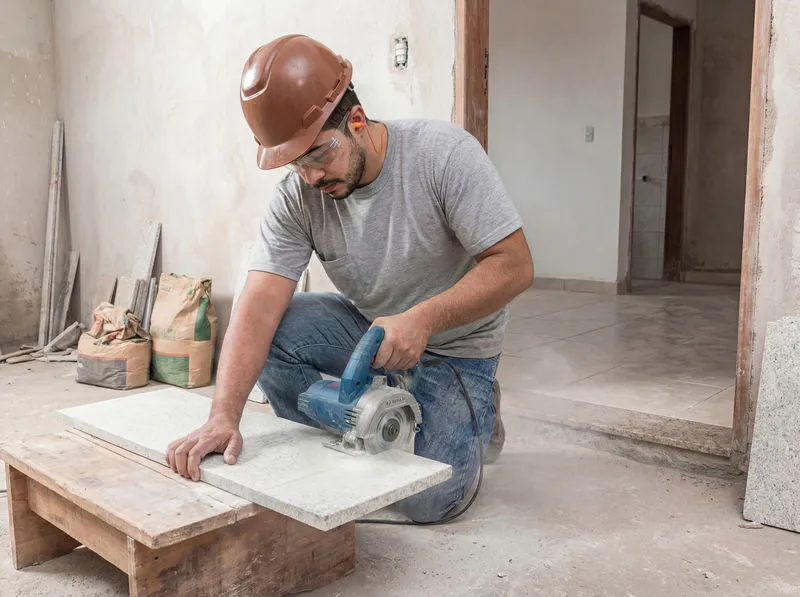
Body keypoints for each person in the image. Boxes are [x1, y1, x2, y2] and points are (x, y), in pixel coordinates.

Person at [165, 34, 533, 523]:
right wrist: (222, 416)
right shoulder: (298, 197)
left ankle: (481, 408)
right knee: (277, 332)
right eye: (297, 164)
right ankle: (361, 425)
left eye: (319, 154)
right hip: (372, 330)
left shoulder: (442, 155)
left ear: (356, 121)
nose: (312, 176)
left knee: (428, 500)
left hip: (456, 347)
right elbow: (257, 309)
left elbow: (515, 265)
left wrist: (423, 320)